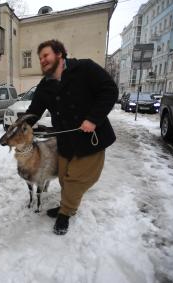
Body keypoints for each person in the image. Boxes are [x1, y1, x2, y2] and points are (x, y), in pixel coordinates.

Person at [26, 39, 118, 235]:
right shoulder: (45, 86)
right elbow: (33, 111)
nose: (42, 60)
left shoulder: (85, 68)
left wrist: (93, 119)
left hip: (91, 139)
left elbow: (110, 90)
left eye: (45, 55)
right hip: (66, 142)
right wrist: (21, 128)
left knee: (76, 180)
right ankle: (66, 205)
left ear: (59, 54)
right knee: (64, 178)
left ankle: (65, 213)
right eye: (39, 58)